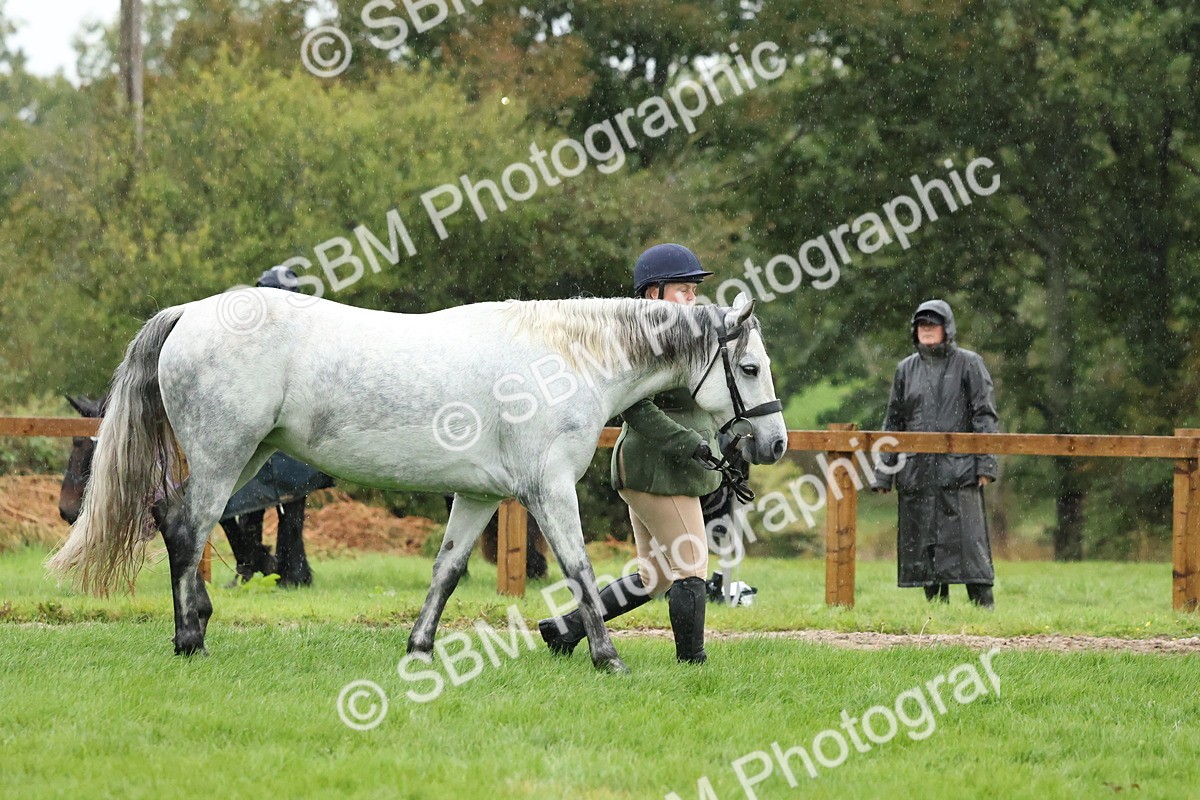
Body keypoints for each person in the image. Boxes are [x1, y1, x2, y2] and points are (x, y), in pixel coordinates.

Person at [538, 243, 723, 663]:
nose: (692, 298)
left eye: (694, 291)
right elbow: (635, 407)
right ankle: (692, 664)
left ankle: (565, 629)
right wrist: (686, 443)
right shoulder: (641, 342)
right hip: (659, 467)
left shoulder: (686, 335)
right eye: (683, 290)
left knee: (654, 576)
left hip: (657, 467)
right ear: (653, 293)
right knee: (691, 565)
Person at [871, 300, 1000, 608]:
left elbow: (984, 416)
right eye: (921, 325)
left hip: (961, 472)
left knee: (970, 548)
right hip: (918, 473)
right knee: (925, 548)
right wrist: (884, 473)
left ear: (947, 329)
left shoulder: (969, 363)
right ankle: (936, 616)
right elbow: (894, 423)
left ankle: (984, 612)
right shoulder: (906, 369)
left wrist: (986, 464)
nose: (927, 330)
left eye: (933, 324)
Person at [217, 265, 334, 586]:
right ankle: (253, 565)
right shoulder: (249, 333)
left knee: (291, 510)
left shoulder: (309, 332)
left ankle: (292, 572)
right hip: (262, 430)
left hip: (293, 431)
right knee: (248, 505)